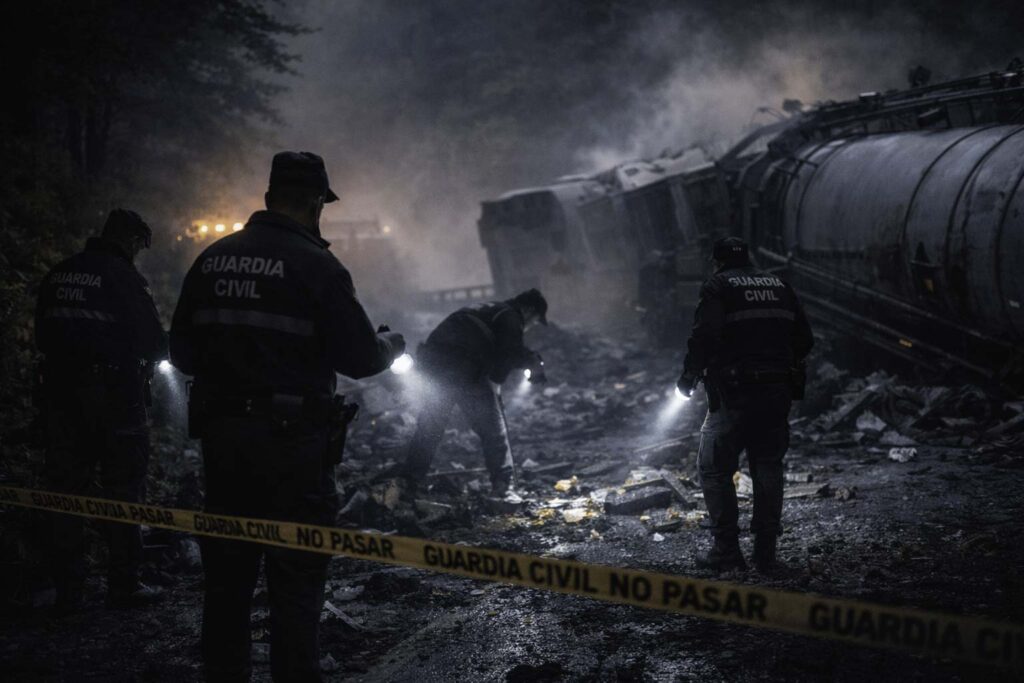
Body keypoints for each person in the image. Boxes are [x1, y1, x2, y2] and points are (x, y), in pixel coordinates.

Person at [170, 151, 404, 683]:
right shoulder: (317, 265)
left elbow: (181, 353)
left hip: (224, 445)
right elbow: (362, 359)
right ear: (318, 200)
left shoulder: (212, 258)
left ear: (270, 195)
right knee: (296, 577)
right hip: (294, 449)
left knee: (227, 576)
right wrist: (392, 343)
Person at [34, 208, 167, 611]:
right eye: (139, 246)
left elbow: (42, 335)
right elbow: (153, 342)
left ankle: (67, 588)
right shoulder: (122, 277)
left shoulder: (60, 272)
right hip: (114, 401)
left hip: (59, 398)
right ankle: (123, 585)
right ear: (129, 241)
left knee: (65, 491)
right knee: (123, 489)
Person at [676, 237, 813, 574]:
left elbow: (705, 335)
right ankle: (766, 556)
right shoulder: (779, 284)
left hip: (735, 393)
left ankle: (726, 552)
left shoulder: (718, 286)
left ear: (717, 262)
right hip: (776, 392)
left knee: (714, 467)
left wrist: (689, 376)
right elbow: (805, 338)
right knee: (768, 466)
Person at [401, 289, 548, 496]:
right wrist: (517, 370)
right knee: (493, 429)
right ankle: (503, 486)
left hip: (435, 366)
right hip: (464, 368)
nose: (530, 327)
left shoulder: (488, 309)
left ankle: (409, 481)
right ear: (528, 309)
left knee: (431, 426)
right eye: (533, 322)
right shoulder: (510, 315)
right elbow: (509, 352)